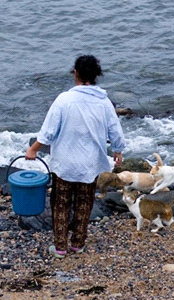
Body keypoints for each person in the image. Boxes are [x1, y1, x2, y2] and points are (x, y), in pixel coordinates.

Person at [25, 55, 126, 258]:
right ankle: (78, 243)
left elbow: (48, 132)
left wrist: (33, 149)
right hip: (90, 164)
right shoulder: (104, 102)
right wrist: (117, 150)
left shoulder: (64, 100)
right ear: (96, 76)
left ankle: (60, 246)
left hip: (65, 163)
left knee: (61, 203)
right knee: (84, 202)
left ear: (76, 73)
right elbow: (115, 131)